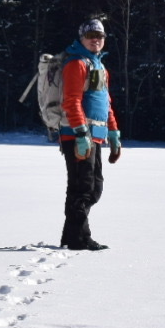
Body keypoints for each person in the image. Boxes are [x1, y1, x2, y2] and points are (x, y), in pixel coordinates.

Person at [58, 18, 121, 251]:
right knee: (83, 187)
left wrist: (114, 133)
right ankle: (78, 238)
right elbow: (71, 101)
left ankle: (72, 236)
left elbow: (106, 104)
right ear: (81, 38)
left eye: (100, 36)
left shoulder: (98, 66)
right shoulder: (76, 64)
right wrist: (81, 132)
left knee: (92, 187)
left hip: (95, 136)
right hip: (77, 136)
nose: (96, 39)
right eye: (91, 36)